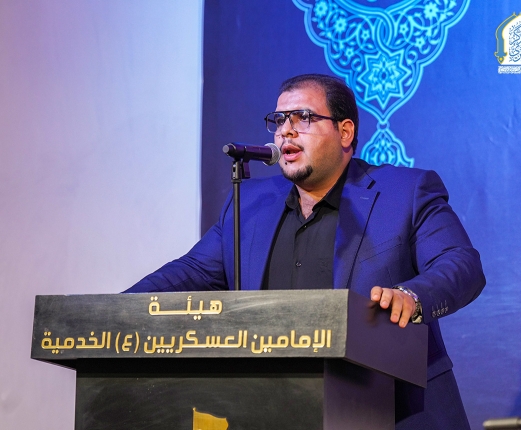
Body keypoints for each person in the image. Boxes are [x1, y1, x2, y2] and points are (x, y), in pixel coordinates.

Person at [126, 73, 485, 429]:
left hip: (395, 411)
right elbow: (189, 273)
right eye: (279, 120)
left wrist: (411, 297)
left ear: (345, 132)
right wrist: (118, 310)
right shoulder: (248, 205)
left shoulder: (405, 192)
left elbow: (461, 263)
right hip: (275, 413)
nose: (286, 130)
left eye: (304, 118)